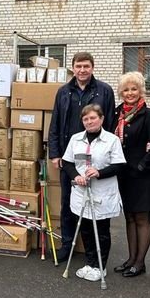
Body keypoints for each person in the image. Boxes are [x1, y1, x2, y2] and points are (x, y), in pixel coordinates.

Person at [48, 52, 116, 262]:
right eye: (78, 66)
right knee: (69, 201)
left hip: (96, 156)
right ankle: (67, 244)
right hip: (70, 157)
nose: (82, 70)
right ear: (73, 68)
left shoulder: (104, 91)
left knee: (96, 203)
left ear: (92, 67)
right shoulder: (64, 91)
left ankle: (95, 252)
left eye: (86, 66)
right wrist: (55, 153)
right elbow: (55, 123)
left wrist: (107, 154)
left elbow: (111, 123)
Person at [61, 104, 125, 281]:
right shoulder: (75, 139)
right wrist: (76, 176)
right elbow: (67, 163)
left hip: (102, 193)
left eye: (93, 118)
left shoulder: (111, 140)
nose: (89, 121)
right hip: (81, 192)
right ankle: (89, 263)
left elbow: (119, 165)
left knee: (102, 230)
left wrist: (99, 172)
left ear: (102, 119)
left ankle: (100, 266)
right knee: (86, 229)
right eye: (85, 119)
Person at [112, 72, 150, 277]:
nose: (130, 93)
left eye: (134, 89)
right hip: (123, 174)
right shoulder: (117, 114)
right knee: (129, 218)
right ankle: (131, 259)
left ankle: (140, 263)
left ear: (141, 91)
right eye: (126, 89)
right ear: (121, 92)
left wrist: (141, 166)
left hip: (141, 175)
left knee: (142, 219)